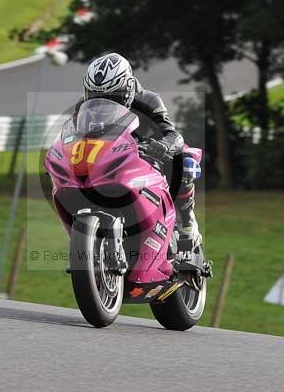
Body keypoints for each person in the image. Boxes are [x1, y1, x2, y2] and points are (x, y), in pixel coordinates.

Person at [79, 52, 202, 258]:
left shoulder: (148, 100)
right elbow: (76, 137)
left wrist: (162, 146)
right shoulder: (84, 109)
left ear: (127, 89)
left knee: (185, 160)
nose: (102, 104)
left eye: (111, 98)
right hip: (112, 159)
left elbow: (173, 135)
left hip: (150, 155)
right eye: (95, 97)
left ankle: (187, 224)